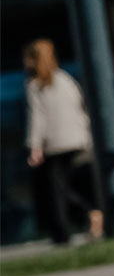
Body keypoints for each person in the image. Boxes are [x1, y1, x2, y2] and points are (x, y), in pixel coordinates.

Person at [24, 39, 103, 244]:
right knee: (69, 185)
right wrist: (86, 137)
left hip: (55, 144)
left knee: (56, 191)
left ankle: (63, 234)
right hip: (77, 140)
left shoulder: (35, 85)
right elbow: (80, 109)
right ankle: (89, 213)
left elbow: (37, 118)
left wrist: (35, 147)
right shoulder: (66, 79)